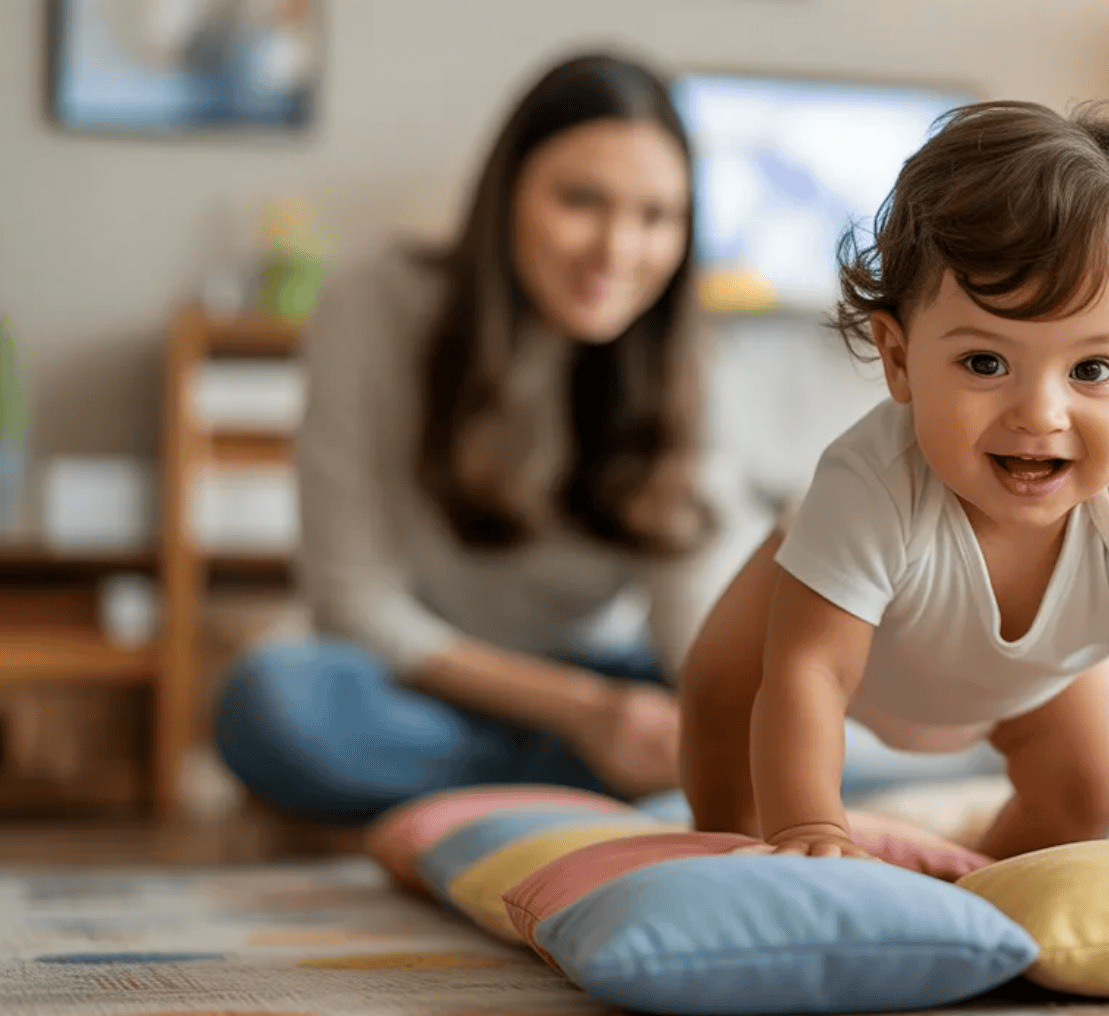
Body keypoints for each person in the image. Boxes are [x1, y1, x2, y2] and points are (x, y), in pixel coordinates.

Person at [677, 101, 1109, 865]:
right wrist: (809, 830)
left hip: (1032, 680)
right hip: (809, 637)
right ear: (898, 358)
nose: (1039, 413)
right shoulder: (870, 480)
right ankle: (724, 852)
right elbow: (811, 671)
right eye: (985, 363)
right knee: (719, 689)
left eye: (1092, 369)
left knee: (1098, 780)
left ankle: (983, 889)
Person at [215, 52, 768, 823]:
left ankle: (511, 797)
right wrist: (584, 714)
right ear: (506, 192)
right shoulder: (376, 298)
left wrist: (714, 721)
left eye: (656, 217)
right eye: (582, 200)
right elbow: (350, 598)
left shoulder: (690, 359)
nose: (617, 250)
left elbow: (691, 621)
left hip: (612, 677)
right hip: (426, 683)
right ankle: (579, 793)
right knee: (270, 702)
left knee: (786, 718)